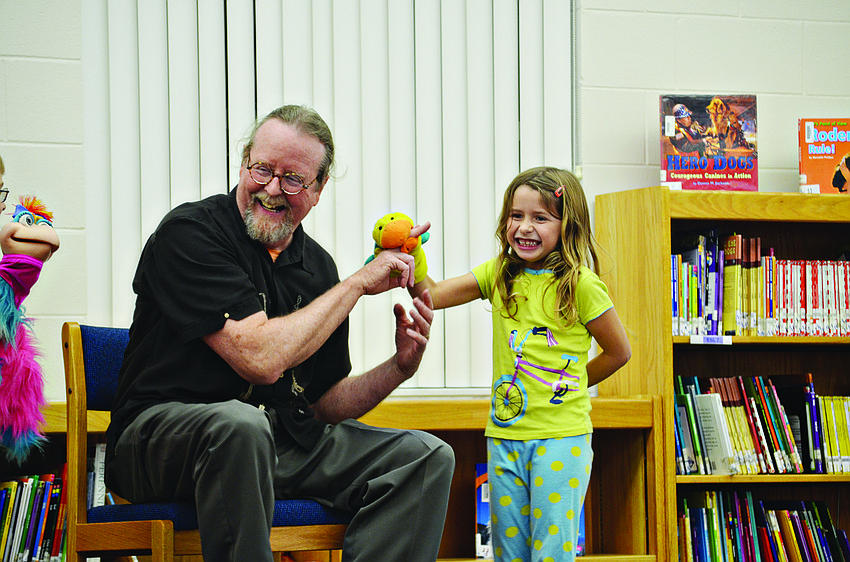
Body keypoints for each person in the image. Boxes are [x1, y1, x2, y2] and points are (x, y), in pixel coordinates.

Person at [105, 105, 455, 562]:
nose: (271, 188)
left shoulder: (318, 268)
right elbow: (259, 359)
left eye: (292, 179)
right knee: (239, 426)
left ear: (318, 189)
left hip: (272, 439)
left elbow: (323, 402)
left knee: (425, 457)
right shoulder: (190, 233)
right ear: (244, 162)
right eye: (262, 169)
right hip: (158, 440)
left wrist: (398, 368)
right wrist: (355, 285)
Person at [407, 166, 631, 562]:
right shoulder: (499, 274)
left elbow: (619, 352)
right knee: (508, 554)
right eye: (516, 215)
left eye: (540, 218)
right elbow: (432, 296)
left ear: (568, 225)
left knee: (550, 554)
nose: (524, 227)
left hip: (562, 440)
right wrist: (412, 256)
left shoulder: (581, 284)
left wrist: (574, 382)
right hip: (505, 438)